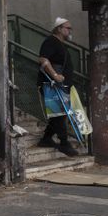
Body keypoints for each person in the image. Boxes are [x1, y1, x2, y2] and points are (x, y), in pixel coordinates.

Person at [36, 17, 78, 157]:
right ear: (59, 28)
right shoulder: (50, 41)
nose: (70, 30)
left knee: (59, 113)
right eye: (67, 28)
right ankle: (64, 143)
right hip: (52, 84)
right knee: (60, 113)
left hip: (61, 85)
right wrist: (54, 75)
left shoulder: (60, 43)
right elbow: (43, 59)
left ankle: (46, 139)